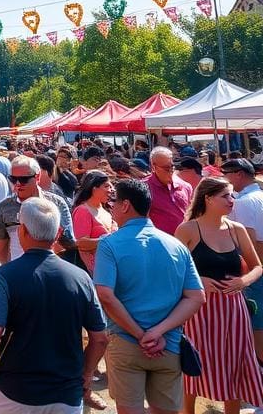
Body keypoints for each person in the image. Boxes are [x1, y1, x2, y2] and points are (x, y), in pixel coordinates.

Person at [0, 198, 108, 414]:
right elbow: (100, 338)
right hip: (66, 394)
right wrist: (86, 374)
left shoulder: (5, 276)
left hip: (14, 393)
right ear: (58, 232)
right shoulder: (81, 278)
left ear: (22, 231)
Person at [94, 178, 205, 414]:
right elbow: (196, 297)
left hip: (126, 342)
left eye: (113, 202)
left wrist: (141, 334)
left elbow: (104, 294)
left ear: (125, 205)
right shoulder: (176, 245)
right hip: (169, 345)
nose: (110, 207)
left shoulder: (109, 244)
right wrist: (159, 331)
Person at [174, 176, 263, 414]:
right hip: (198, 309)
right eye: (226, 195)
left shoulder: (237, 229)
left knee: (234, 364)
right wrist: (197, 281)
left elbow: (258, 267)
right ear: (208, 198)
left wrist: (243, 281)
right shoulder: (187, 229)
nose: (231, 200)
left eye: (232, 194)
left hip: (234, 309)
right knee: (194, 363)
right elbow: (171, 270)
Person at [0, 157, 75, 263]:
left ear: (37, 177)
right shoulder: (4, 207)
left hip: (49, 270)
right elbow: (1, 247)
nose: (17, 184)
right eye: (13, 179)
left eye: (24, 179)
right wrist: (7, 271)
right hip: (17, 272)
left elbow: (69, 242)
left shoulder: (56, 203)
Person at [223, 157, 263, 363]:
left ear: (238, 174)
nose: (225, 179)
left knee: (257, 322)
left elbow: (252, 242)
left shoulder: (245, 202)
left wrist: (250, 273)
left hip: (256, 271)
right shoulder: (259, 196)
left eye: (227, 175)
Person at [71, 170, 117, 275]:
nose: (111, 190)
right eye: (106, 186)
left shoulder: (106, 210)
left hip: (111, 268)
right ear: (94, 188)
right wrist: (110, 239)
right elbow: (82, 243)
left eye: (111, 187)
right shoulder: (82, 211)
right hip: (95, 273)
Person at [146, 145, 193, 235]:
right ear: (153, 167)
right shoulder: (144, 188)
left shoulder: (185, 186)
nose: (171, 171)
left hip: (186, 239)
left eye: (172, 166)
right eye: (167, 168)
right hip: (160, 242)